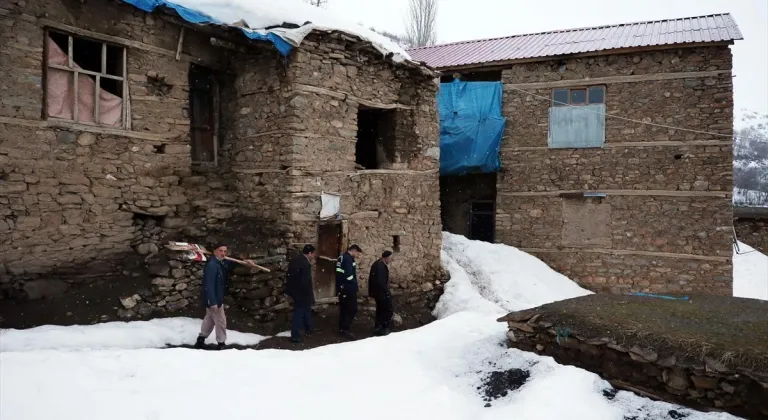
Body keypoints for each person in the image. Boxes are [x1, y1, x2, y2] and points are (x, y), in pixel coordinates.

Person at [195, 244, 235, 350]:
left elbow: (229, 265)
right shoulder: (212, 265)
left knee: (210, 319)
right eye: (220, 251)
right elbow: (209, 284)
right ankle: (221, 343)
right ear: (214, 251)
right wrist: (212, 301)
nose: (223, 253)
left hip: (217, 296)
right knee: (221, 320)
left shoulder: (220, 262)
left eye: (225, 251)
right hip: (214, 298)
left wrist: (247, 262)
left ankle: (200, 340)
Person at [286, 244, 316, 343]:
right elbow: (305, 281)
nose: (313, 256)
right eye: (313, 254)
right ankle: (295, 335)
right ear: (310, 253)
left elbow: (289, 275)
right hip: (301, 292)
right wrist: (309, 294)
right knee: (299, 313)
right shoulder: (305, 264)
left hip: (294, 290)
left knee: (306, 310)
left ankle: (309, 328)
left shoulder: (295, 259)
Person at [336, 244, 362, 339]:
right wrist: (354, 284)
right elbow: (349, 275)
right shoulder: (348, 259)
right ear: (354, 251)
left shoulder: (341, 257)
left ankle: (342, 328)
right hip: (348, 288)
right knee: (352, 308)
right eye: (357, 253)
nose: (358, 255)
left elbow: (340, 273)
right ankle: (345, 328)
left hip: (342, 287)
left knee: (344, 309)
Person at [368, 250, 394, 336]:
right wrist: (386, 292)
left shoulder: (378, 264)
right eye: (390, 258)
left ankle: (378, 327)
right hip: (380, 293)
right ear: (386, 258)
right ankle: (383, 328)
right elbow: (380, 281)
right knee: (387, 309)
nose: (391, 260)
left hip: (378, 292)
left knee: (380, 310)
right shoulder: (380, 266)